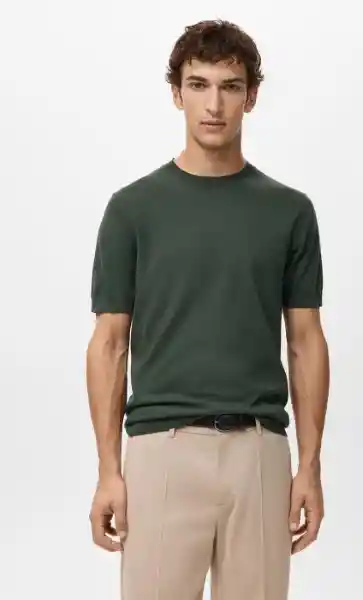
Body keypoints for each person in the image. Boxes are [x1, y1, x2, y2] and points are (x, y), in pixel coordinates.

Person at [86, 18, 330, 600]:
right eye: (198, 85)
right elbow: (109, 343)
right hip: (162, 450)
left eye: (230, 86)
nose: (214, 104)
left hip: (260, 450)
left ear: (251, 95)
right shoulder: (133, 210)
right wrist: (108, 471)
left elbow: (306, 341)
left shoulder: (289, 211)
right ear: (177, 94)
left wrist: (310, 466)